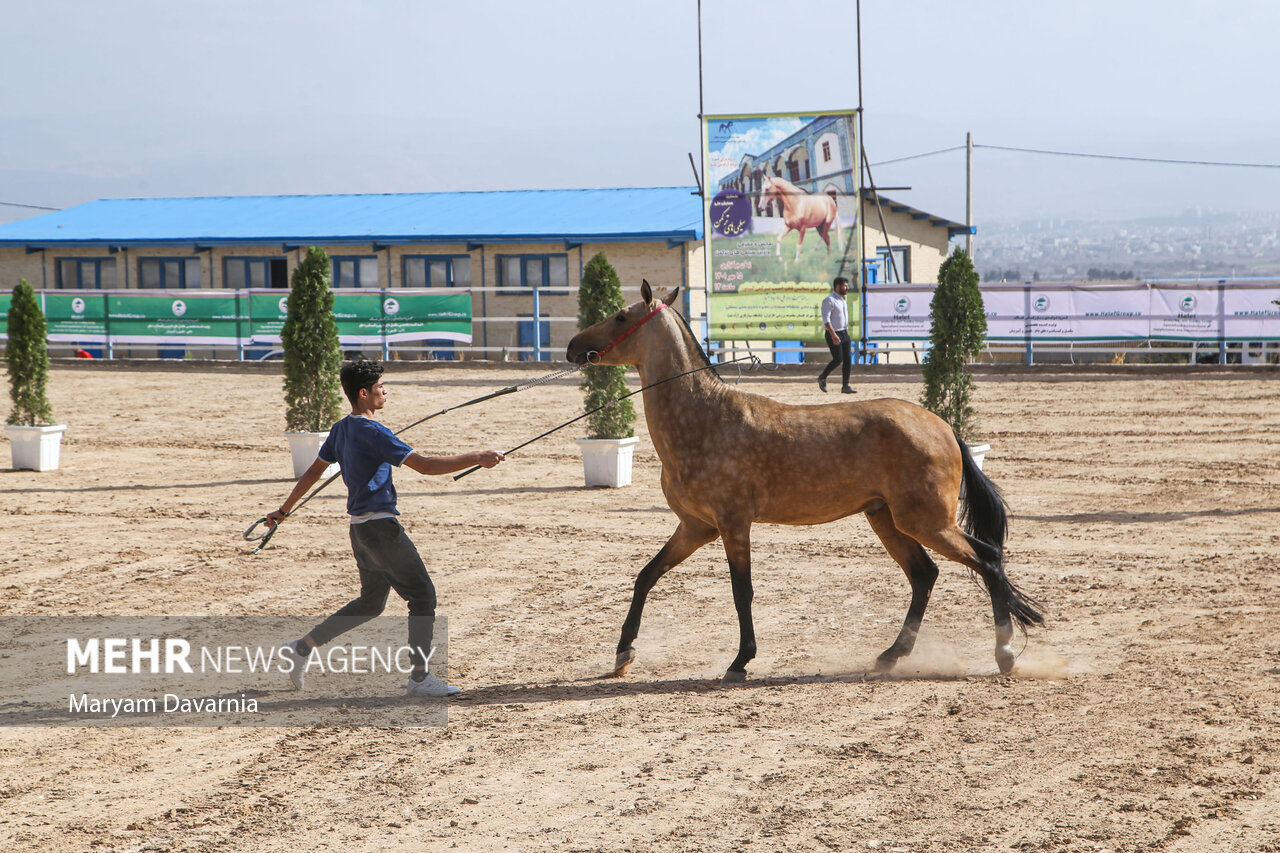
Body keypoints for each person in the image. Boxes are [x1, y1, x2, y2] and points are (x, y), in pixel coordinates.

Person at [266, 359, 504, 698]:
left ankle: (301, 648)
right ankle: (420, 679)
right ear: (364, 393)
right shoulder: (374, 431)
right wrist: (476, 457)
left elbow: (313, 472)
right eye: (380, 387)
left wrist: (283, 511)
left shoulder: (342, 428)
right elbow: (424, 465)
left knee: (371, 603)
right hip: (381, 529)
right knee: (423, 596)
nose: (385, 390)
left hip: (360, 532)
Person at [818, 276, 857, 394]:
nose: (847, 288)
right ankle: (822, 377)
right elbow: (826, 319)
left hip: (844, 332)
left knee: (848, 359)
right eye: (845, 285)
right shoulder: (829, 300)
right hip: (834, 333)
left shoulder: (842, 300)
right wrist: (833, 335)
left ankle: (845, 385)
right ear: (837, 286)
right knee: (838, 359)